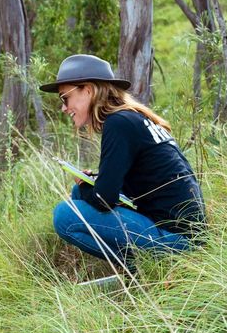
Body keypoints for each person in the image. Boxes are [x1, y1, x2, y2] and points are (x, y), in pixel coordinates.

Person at [40, 54, 205, 273]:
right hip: (187, 235)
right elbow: (139, 179)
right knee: (79, 195)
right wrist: (92, 183)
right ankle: (145, 266)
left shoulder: (118, 123)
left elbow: (103, 200)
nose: (63, 108)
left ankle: (144, 268)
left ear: (87, 90)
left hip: (179, 242)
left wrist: (86, 185)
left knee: (65, 215)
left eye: (64, 98)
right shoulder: (132, 118)